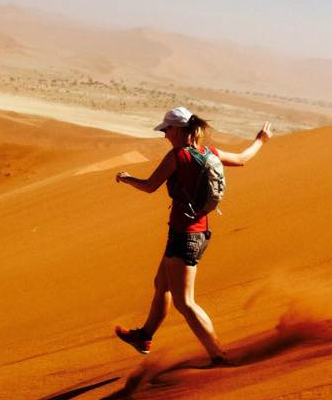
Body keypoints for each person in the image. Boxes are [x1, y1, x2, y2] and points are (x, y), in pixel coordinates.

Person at [114, 106, 272, 365]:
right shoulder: (209, 153)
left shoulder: (178, 156)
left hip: (185, 236)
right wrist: (260, 140)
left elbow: (150, 186)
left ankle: (217, 354)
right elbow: (243, 158)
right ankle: (144, 336)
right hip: (197, 233)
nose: (165, 135)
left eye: (166, 130)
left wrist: (128, 178)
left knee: (185, 302)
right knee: (161, 283)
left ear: (177, 130)